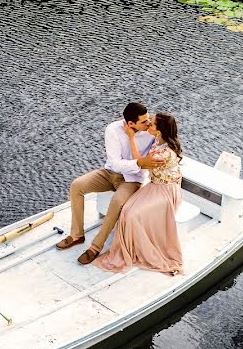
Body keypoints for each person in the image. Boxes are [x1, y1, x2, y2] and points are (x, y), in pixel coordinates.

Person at [55, 102, 165, 265]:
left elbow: (163, 148)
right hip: (109, 173)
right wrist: (140, 162)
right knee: (77, 185)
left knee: (117, 201)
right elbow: (115, 163)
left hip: (132, 180)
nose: (148, 123)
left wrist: (144, 163)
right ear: (130, 123)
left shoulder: (150, 133)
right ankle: (77, 235)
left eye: (148, 119)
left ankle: (95, 247)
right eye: (144, 121)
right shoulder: (113, 130)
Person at [92, 112, 184, 276]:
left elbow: (138, 162)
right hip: (155, 186)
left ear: (159, 131)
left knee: (132, 214)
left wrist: (131, 137)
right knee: (126, 210)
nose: (149, 124)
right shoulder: (158, 141)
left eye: (153, 124)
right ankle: (132, 244)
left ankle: (140, 249)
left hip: (166, 192)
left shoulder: (163, 154)